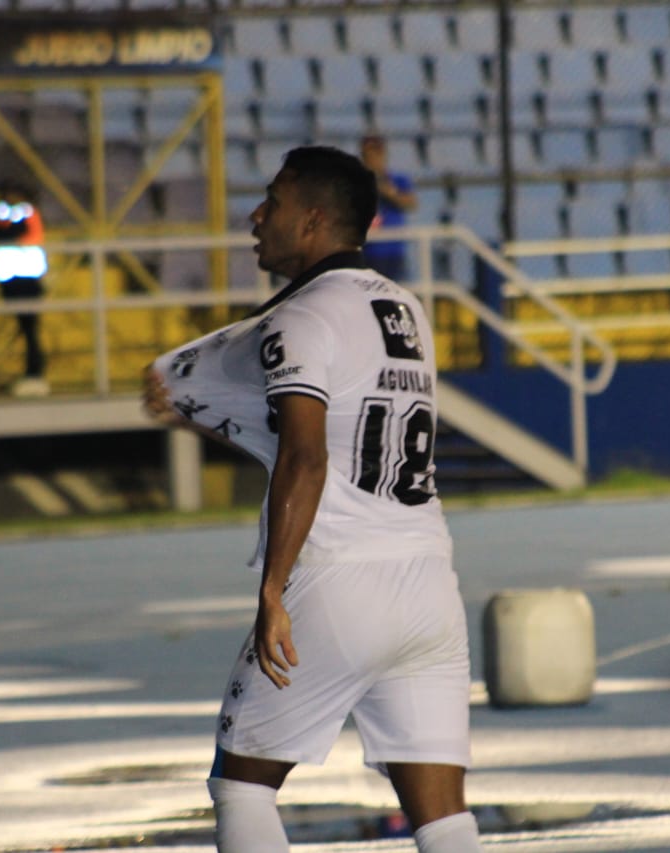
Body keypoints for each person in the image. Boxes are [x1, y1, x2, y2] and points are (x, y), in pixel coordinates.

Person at [143, 146, 480, 852]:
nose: (256, 214)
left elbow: (305, 453)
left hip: (336, 579)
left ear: (314, 220)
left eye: (273, 199)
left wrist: (273, 589)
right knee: (442, 814)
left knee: (242, 784)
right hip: (427, 583)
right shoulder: (406, 307)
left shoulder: (300, 319)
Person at [0, 182, 49, 397]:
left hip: (27, 280)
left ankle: (34, 372)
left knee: (30, 331)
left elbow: (10, 233)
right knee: (24, 330)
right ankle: (28, 372)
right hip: (10, 280)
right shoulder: (4, 215)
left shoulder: (24, 213)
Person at [359, 134, 418, 281]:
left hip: (393, 253)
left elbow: (411, 203)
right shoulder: (357, 183)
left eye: (376, 154)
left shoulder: (398, 180)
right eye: (368, 156)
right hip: (367, 252)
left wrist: (389, 193)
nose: (372, 160)